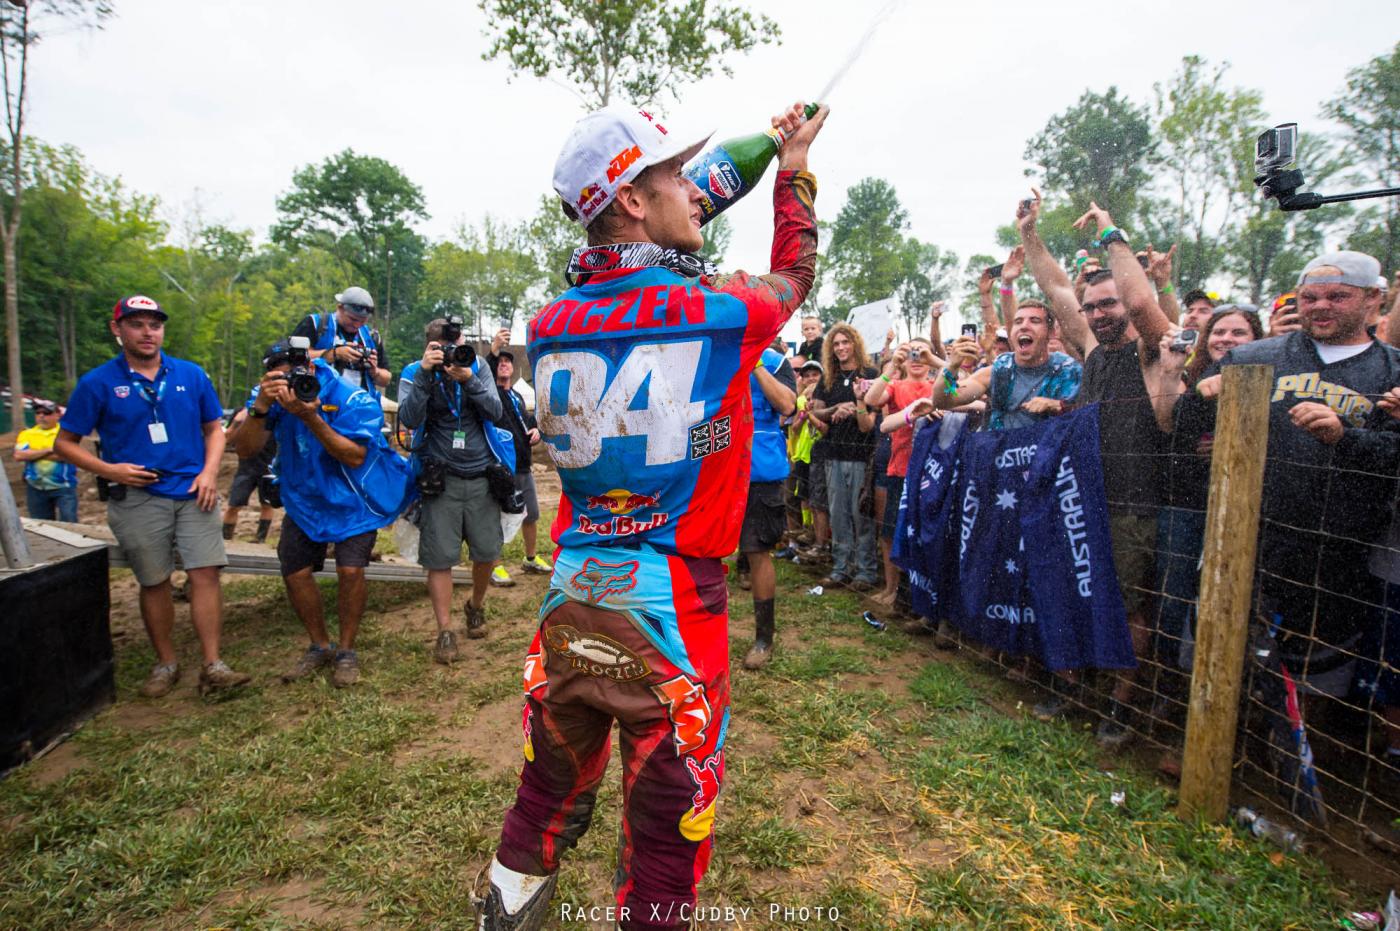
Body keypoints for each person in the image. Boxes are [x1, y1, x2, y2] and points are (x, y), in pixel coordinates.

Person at [480, 100, 825, 931]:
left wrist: (678, 199)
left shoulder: (546, 324)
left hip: (572, 592)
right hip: (674, 609)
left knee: (543, 797)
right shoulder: (719, 311)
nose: (693, 188)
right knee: (669, 835)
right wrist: (795, 166)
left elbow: (691, 427)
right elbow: (797, 277)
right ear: (633, 199)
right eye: (674, 174)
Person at [1178, 251, 1400, 709]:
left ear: (1373, 301)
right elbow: (1181, 432)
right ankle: (1210, 754)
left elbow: (1392, 458)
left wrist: (1346, 437)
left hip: (1339, 552)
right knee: (1222, 654)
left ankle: (1293, 769)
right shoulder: (1254, 355)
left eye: (1338, 296)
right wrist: (1200, 397)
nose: (1321, 306)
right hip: (1248, 537)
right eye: (1310, 297)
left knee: (1317, 679)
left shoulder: (1393, 371)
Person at [1019, 192, 1174, 747]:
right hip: (1081, 500)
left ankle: (1120, 708)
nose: (1100, 313)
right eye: (1093, 307)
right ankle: (1069, 689)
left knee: (1130, 607)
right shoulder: (1090, 350)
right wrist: (1030, 236)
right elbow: (1058, 290)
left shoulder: (1154, 351)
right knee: (1072, 592)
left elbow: (1139, 305)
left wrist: (1111, 235)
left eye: (1108, 304)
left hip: (1135, 506)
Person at [54, 295, 249, 697]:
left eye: (154, 325)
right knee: (154, 580)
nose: (147, 332)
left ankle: (213, 664)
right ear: (117, 329)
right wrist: (109, 470)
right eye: (137, 324)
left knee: (205, 573)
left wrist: (210, 472)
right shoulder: (98, 383)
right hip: (136, 495)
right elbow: (65, 442)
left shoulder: (190, 375)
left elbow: (215, 428)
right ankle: (166, 663)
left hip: (194, 491)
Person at [238, 339, 414, 688]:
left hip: (354, 500)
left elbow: (353, 456)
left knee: (351, 570)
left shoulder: (352, 396)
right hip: (303, 499)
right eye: (280, 377)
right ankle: (319, 645)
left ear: (312, 368)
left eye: (296, 375)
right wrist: (260, 407)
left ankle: (347, 651)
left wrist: (310, 416)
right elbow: (245, 448)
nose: (291, 384)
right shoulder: (272, 399)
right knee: (295, 571)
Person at [397, 318, 504, 662]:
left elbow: (496, 411)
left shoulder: (476, 365)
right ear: (428, 347)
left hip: (482, 474)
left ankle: (475, 604)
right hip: (440, 477)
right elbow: (410, 419)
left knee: (487, 552)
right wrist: (426, 377)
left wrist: (470, 380)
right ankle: (445, 630)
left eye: (454, 345)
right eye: (441, 348)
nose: (450, 353)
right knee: (440, 558)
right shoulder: (416, 371)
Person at [864, 338, 939, 608]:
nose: (917, 358)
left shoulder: (938, 385)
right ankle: (891, 589)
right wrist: (891, 367)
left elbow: (961, 387)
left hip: (933, 473)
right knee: (890, 533)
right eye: (911, 354)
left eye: (923, 353)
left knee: (922, 537)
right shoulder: (896, 385)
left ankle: (917, 600)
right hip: (899, 470)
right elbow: (871, 399)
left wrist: (938, 362)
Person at [933, 301, 1082, 430]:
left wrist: (1056, 405)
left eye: (1035, 321)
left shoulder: (1068, 370)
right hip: (1002, 456)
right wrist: (951, 367)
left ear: (1051, 332)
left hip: (1051, 457)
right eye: (1018, 322)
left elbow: (1090, 414)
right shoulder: (998, 371)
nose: (1024, 326)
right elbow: (944, 400)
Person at [808, 323, 879, 590]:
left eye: (845, 343)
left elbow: (874, 410)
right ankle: (841, 568)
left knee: (861, 515)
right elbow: (818, 412)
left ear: (855, 344)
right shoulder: (829, 378)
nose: (840, 348)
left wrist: (855, 407)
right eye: (836, 344)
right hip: (833, 452)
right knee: (838, 515)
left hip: (862, 454)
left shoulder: (870, 374)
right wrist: (838, 407)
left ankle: (866, 571)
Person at [740, 345, 797, 669]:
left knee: (757, 551)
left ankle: (764, 639)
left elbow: (787, 404)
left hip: (759, 470)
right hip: (713, 467)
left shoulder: (776, 362)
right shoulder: (711, 349)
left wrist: (756, 360)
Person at [488, 335, 553, 586]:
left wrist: (536, 429)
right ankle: (494, 565)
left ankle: (530, 558)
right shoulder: (490, 394)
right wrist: (493, 351)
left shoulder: (516, 395)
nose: (504, 364)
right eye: (500, 362)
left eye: (508, 362)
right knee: (497, 517)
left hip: (523, 466)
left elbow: (527, 422)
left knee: (532, 514)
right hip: (500, 468)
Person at [292, 286, 391, 395]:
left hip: (359, 404)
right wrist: (334, 354)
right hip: (318, 399)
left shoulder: (371, 337)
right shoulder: (315, 324)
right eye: (353, 319)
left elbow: (386, 378)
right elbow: (293, 358)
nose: (357, 325)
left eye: (363, 321)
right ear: (340, 308)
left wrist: (375, 371)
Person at [13, 399, 78, 522]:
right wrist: (49, 450)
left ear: (57, 415)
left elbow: (68, 456)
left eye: (46, 413)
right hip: (36, 487)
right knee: (42, 525)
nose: (42, 416)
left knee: (70, 522)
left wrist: (33, 454)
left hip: (63, 486)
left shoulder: (66, 434)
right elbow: (19, 455)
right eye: (38, 413)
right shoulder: (27, 434)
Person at [221, 406, 277, 544]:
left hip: (269, 467)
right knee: (233, 505)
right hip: (246, 467)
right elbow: (227, 437)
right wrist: (238, 421)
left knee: (267, 505)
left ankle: (260, 539)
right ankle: (225, 538)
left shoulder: (276, 412)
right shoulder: (242, 412)